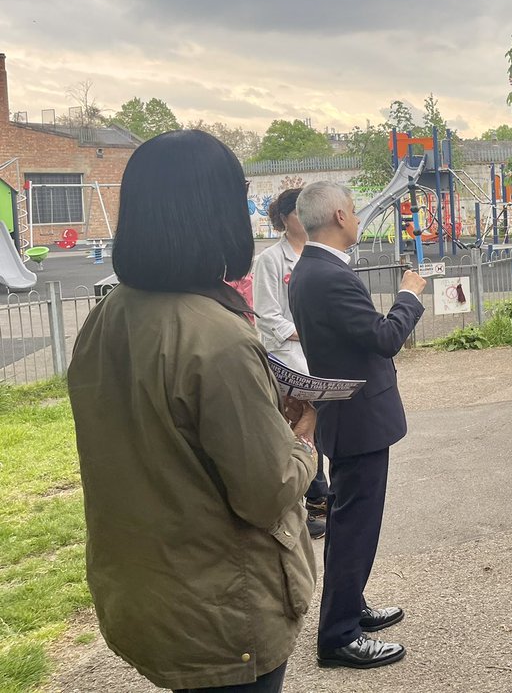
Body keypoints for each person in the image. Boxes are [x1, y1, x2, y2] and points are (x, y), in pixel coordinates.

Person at [67, 130, 317, 692]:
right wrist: (302, 439)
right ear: (217, 213)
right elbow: (266, 489)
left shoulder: (108, 317)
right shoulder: (216, 336)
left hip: (149, 592)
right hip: (225, 613)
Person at [289, 181, 427, 671]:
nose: (357, 217)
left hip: (348, 413)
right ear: (342, 216)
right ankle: (339, 635)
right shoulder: (328, 275)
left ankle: (350, 606)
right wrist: (409, 296)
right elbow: (384, 338)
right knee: (354, 527)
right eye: (353, 210)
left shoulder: (312, 269)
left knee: (352, 521)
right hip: (357, 417)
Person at [254, 187, 329, 540]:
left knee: (327, 426)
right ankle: (311, 504)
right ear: (285, 218)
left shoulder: (320, 255)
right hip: (289, 355)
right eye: (298, 213)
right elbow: (268, 315)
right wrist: (308, 333)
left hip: (320, 355)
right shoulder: (270, 260)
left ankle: (325, 499)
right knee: (302, 426)